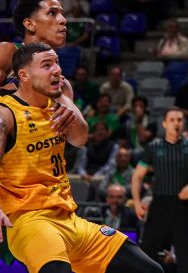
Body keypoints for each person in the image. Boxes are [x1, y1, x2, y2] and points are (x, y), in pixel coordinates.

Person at [0, 43, 160, 273]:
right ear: (23, 75)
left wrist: (67, 99)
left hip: (70, 220)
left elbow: (80, 138)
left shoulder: (57, 105)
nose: (56, 70)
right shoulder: (6, 113)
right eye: (47, 65)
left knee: (149, 270)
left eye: (57, 63)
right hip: (30, 220)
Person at [132, 107, 188, 273]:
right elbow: (137, 176)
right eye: (172, 120)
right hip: (159, 204)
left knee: (185, 255)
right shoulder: (153, 146)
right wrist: (137, 202)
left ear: (184, 124)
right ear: (164, 123)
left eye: (179, 120)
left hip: (182, 205)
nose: (176, 123)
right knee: (147, 252)